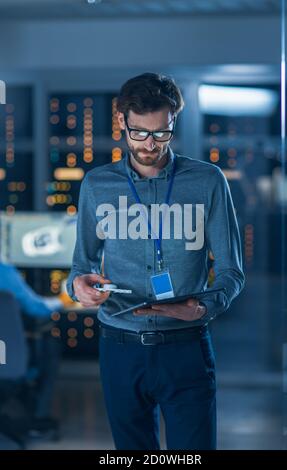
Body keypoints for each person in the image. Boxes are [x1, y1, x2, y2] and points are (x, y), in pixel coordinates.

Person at [67, 72, 245, 450]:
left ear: (173, 122)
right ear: (122, 122)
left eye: (161, 133)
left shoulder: (208, 180)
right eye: (139, 133)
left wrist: (202, 308)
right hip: (119, 348)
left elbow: (232, 271)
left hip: (186, 347)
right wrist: (78, 286)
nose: (150, 144)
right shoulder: (97, 185)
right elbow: (80, 266)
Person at [0, 262, 71, 441]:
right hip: (5, 365)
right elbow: (37, 308)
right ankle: (36, 419)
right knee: (48, 345)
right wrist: (64, 299)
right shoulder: (3, 272)